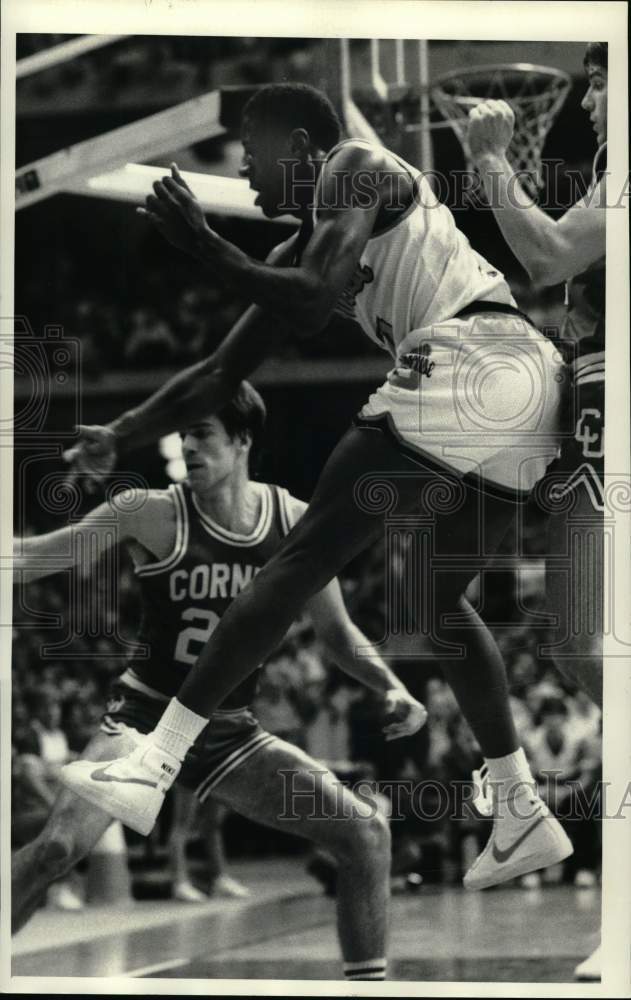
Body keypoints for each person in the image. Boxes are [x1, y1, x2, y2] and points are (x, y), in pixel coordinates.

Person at [61, 82, 572, 892]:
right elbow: (219, 372)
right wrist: (120, 433)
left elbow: (312, 301)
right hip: (527, 384)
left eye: (251, 154)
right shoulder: (299, 248)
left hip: (471, 353)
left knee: (298, 562)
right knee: (430, 598)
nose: (244, 173)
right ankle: (517, 807)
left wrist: (204, 244)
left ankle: (154, 763)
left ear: (300, 147)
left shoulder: (354, 163)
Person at [13, 382, 427, 983]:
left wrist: (390, 684)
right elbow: (30, 560)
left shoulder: (293, 521)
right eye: (183, 434)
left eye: (202, 433)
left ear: (242, 441)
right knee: (57, 848)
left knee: (366, 833)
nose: (188, 447)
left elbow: (338, 632)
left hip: (227, 731)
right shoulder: (151, 511)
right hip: (144, 720)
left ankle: (368, 988)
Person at [466, 41, 607, 977]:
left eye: (601, 83)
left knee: (591, 646)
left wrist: (486, 161)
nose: (589, 100)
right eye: (587, 84)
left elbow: (549, 251)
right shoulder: (602, 172)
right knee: (577, 644)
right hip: (594, 397)